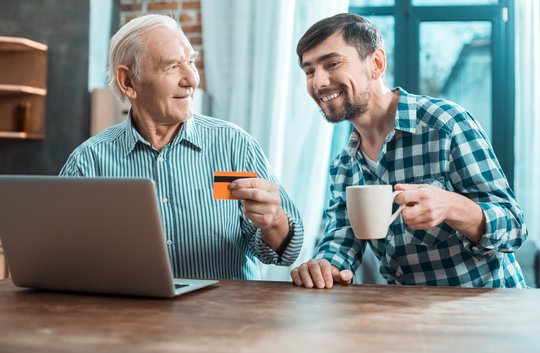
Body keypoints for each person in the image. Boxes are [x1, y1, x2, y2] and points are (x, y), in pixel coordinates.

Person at [290, 13, 527, 288]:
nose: (318, 82)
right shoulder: (344, 165)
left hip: (486, 312)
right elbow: (341, 240)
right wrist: (323, 266)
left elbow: (514, 227)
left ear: (376, 64)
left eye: (332, 64)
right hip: (408, 317)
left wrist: (452, 206)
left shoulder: (446, 124)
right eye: (309, 71)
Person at [60, 14, 303, 280]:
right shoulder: (88, 162)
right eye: (172, 66)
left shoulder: (234, 145)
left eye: (190, 62)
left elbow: (285, 253)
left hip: (222, 317)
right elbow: (60, 256)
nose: (191, 80)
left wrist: (274, 220)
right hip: (129, 318)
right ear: (128, 82)